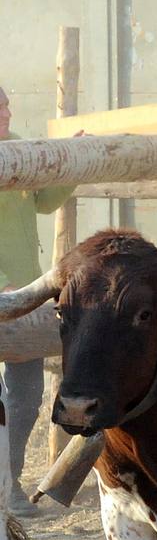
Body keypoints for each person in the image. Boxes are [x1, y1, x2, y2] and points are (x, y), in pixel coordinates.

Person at [0, 85, 75, 516]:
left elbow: (45, 201)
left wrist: (73, 164)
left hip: (24, 297)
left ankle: (9, 485)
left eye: (8, 106)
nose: (7, 115)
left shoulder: (19, 149)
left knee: (27, 396)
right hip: (5, 291)